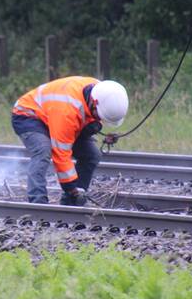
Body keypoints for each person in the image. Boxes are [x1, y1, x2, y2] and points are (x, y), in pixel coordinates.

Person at [11, 76, 128, 205]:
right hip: (28, 115)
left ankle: (72, 203)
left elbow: (87, 116)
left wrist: (94, 128)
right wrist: (71, 187)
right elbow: (61, 153)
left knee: (92, 155)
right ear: (94, 103)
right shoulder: (67, 112)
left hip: (55, 115)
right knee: (43, 150)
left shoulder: (102, 91)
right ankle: (38, 202)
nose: (101, 120)